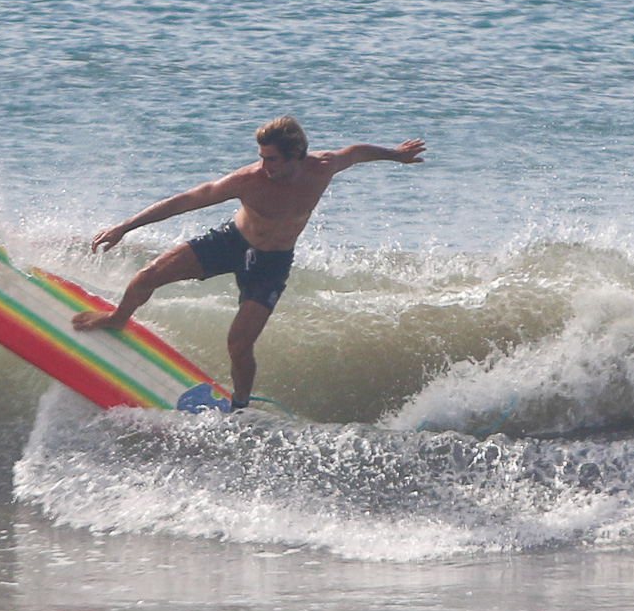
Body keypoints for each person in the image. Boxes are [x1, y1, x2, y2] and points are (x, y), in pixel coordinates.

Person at [72, 116, 425, 409]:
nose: (263, 164)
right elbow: (186, 200)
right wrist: (125, 227)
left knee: (239, 344)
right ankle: (118, 319)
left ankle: (240, 405)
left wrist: (396, 155)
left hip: (271, 264)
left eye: (271, 158)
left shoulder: (323, 167)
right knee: (147, 276)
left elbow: (357, 152)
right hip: (231, 242)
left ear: (296, 156)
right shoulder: (248, 180)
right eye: (260, 156)